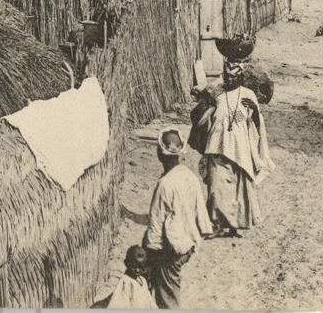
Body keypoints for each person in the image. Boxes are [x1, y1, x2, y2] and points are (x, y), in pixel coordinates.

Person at [196, 57, 275, 236]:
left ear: (240, 78)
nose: (229, 81)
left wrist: (254, 111)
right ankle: (216, 224)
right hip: (217, 145)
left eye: (233, 78)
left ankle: (233, 226)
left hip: (239, 148)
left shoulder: (248, 94)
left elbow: (256, 123)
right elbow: (202, 117)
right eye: (227, 77)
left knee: (238, 189)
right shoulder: (217, 93)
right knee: (216, 188)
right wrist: (206, 105)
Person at [142, 128, 212, 309]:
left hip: (171, 251)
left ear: (160, 153)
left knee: (167, 299)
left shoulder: (165, 184)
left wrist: (151, 254)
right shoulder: (189, 176)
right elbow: (203, 218)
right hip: (188, 244)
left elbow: (155, 224)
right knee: (171, 289)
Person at [107, 245, 156, 309]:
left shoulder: (142, 280)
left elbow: (150, 301)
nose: (137, 270)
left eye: (140, 267)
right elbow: (121, 303)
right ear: (127, 263)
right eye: (134, 266)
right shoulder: (126, 281)